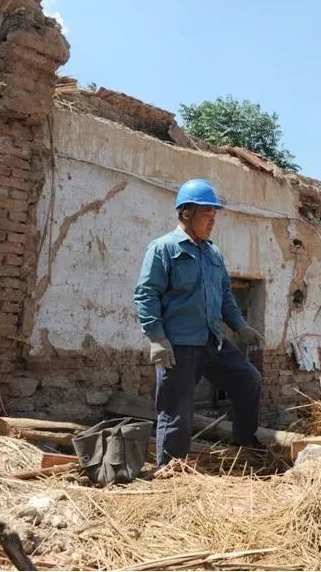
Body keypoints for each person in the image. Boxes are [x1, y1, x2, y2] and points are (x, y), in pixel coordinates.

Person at [133, 179, 263, 465]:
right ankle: (171, 469)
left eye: (214, 214)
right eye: (207, 213)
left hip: (212, 342)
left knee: (248, 379)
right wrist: (157, 338)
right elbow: (146, 294)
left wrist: (240, 325)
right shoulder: (163, 248)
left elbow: (225, 295)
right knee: (176, 411)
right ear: (187, 213)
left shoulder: (213, 253)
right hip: (179, 346)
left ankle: (244, 445)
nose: (212, 220)